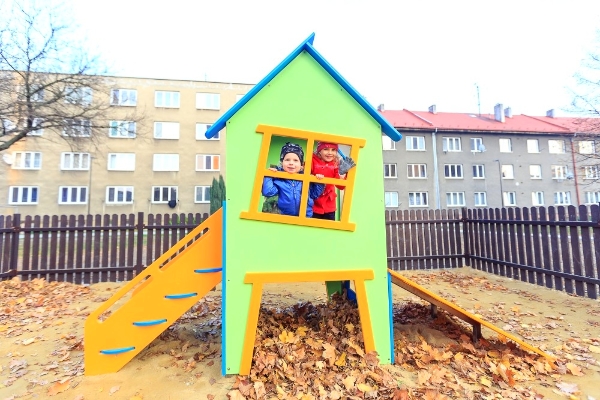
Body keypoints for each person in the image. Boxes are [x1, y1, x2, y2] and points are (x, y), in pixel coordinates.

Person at [262, 142, 324, 217]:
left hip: (305, 217)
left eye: (295, 160)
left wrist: (318, 181)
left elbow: (315, 194)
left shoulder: (306, 177)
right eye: (287, 160)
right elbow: (268, 192)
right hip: (283, 216)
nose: (291, 163)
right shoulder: (278, 178)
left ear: (301, 165)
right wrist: (269, 175)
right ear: (282, 163)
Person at [311, 142, 356, 220]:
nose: (330, 153)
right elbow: (304, 173)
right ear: (319, 151)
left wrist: (341, 174)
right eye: (325, 149)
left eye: (333, 150)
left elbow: (341, 186)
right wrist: (314, 177)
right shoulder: (312, 160)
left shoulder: (336, 164)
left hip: (329, 205)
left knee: (329, 229)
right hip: (313, 203)